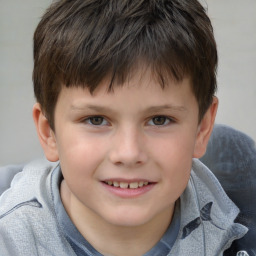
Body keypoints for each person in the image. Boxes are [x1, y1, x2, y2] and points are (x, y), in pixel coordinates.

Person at [0, 0, 248, 255]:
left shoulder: (244, 229)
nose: (128, 153)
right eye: (96, 120)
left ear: (201, 129)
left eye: (159, 120)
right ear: (48, 131)